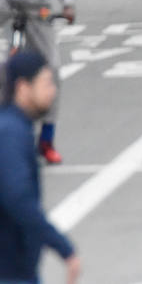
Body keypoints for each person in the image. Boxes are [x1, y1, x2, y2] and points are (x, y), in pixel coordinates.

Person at [0, 0, 75, 165]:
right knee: (7, 71)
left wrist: (67, 2)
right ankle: (9, 132)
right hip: (6, 4)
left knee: (51, 68)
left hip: (36, 7)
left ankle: (47, 138)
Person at [0, 52, 80, 282]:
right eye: (45, 83)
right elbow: (18, 199)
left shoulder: (15, 128)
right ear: (23, 87)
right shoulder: (11, 133)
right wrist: (64, 248)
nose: (52, 91)